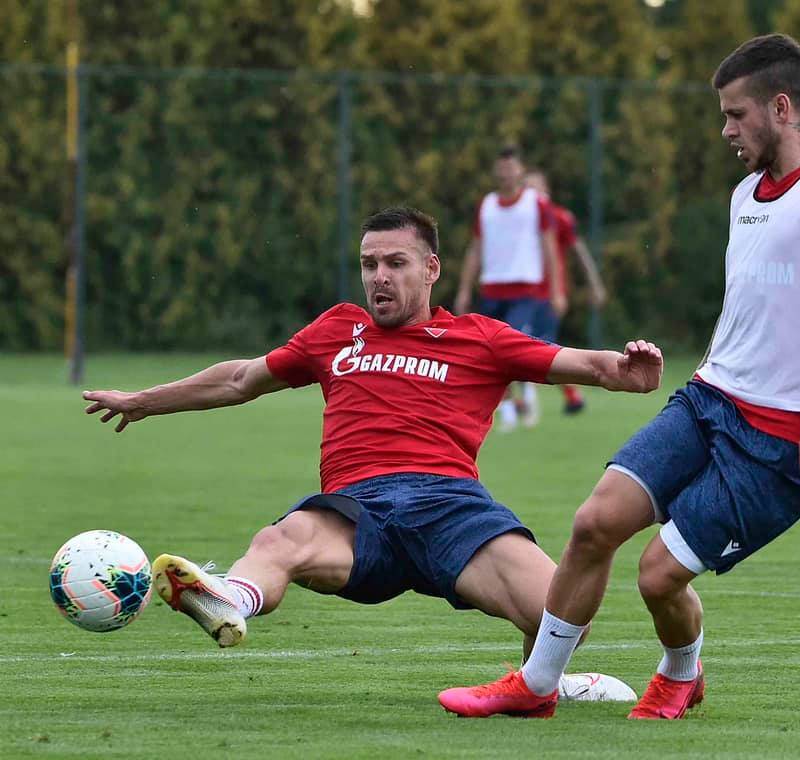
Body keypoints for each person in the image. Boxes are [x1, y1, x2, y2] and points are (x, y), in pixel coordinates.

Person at [438, 33, 800, 720]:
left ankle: (683, 673)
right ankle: (537, 686)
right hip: (710, 401)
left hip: (780, 439)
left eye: (736, 114)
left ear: (782, 106)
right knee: (594, 522)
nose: (725, 129)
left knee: (657, 576)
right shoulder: (747, 191)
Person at [82, 206, 662, 704]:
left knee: (563, 614)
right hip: (358, 511)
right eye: (369, 265)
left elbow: (582, 363)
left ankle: (548, 680)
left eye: (395, 263)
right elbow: (239, 379)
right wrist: (143, 402)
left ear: (431, 269)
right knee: (280, 539)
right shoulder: (337, 329)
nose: (378, 278)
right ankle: (226, 597)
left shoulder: (480, 337)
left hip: (450, 506)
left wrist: (627, 371)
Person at [454, 145, 565, 431]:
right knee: (490, 352)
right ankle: (509, 411)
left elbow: (549, 246)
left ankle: (526, 395)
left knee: (513, 347)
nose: (506, 172)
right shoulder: (487, 206)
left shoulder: (535, 204)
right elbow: (476, 249)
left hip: (525, 290)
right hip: (493, 288)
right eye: (501, 167)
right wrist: (465, 289)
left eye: (511, 166)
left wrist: (556, 289)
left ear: (520, 170)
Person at [525, 169, 607, 415]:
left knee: (536, 347)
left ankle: (526, 405)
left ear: (546, 190)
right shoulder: (515, 219)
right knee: (534, 344)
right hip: (521, 294)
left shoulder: (558, 217)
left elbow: (578, 251)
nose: (531, 194)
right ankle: (568, 396)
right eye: (526, 188)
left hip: (549, 294)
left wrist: (595, 283)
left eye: (535, 188)